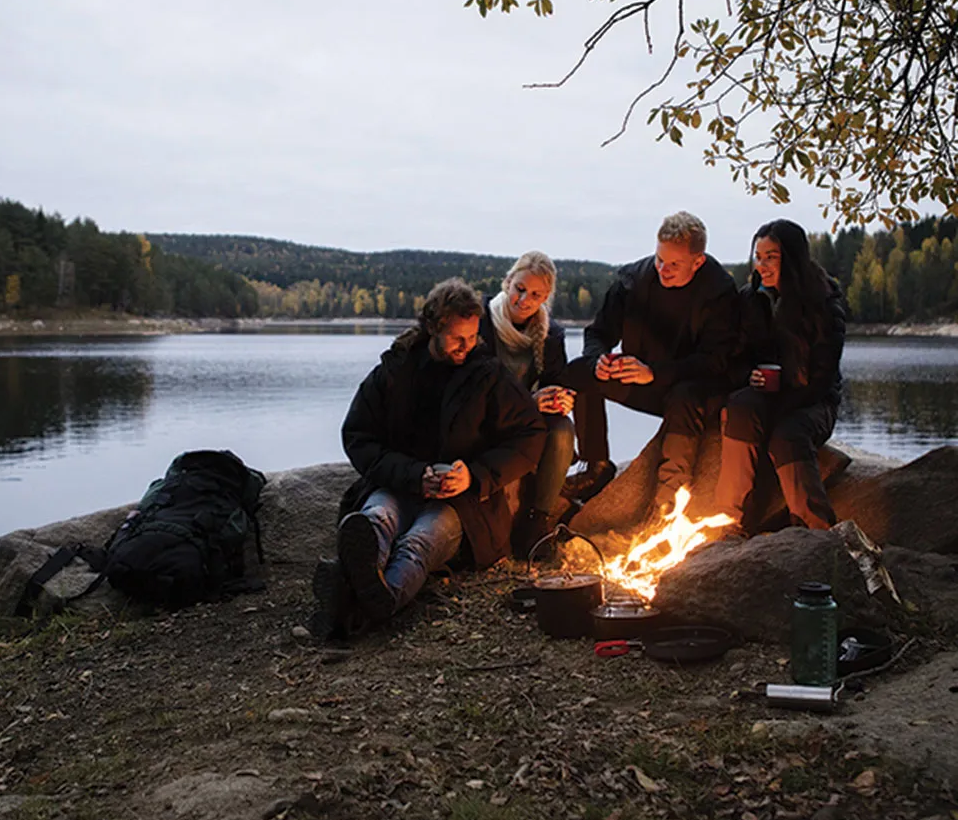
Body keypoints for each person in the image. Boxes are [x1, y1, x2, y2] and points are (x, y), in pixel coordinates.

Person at [310, 277, 547, 639]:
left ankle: (358, 599)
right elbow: (357, 435)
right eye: (457, 338)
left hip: (463, 503)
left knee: (421, 541)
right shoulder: (396, 369)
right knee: (376, 519)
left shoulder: (488, 374)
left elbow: (531, 435)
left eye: (472, 337)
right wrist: (413, 474)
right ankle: (376, 597)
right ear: (434, 328)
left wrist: (474, 475)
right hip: (397, 483)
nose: (466, 346)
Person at [561, 211, 739, 511]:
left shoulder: (719, 292)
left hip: (692, 388)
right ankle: (596, 466)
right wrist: (598, 360)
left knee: (685, 396)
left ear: (698, 262)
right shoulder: (633, 280)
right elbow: (597, 333)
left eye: (674, 265)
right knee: (580, 372)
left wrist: (654, 373)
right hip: (641, 380)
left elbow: (716, 361)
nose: (663, 270)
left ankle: (667, 502)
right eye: (659, 259)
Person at [715, 219, 846, 534]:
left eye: (770, 257)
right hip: (768, 394)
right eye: (758, 257)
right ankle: (728, 522)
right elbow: (737, 359)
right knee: (739, 409)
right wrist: (751, 376)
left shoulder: (824, 304)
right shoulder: (751, 299)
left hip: (813, 400)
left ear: (792, 257)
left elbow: (822, 379)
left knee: (788, 434)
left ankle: (816, 530)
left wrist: (781, 403)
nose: (761, 265)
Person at [477, 251, 576, 555]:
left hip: (526, 417)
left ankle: (538, 520)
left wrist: (559, 398)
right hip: (484, 415)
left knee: (562, 429)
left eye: (536, 294)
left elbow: (555, 380)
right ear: (508, 282)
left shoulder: (551, 335)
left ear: (546, 296)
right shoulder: (480, 319)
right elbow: (474, 388)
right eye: (520, 289)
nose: (525, 300)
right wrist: (527, 403)